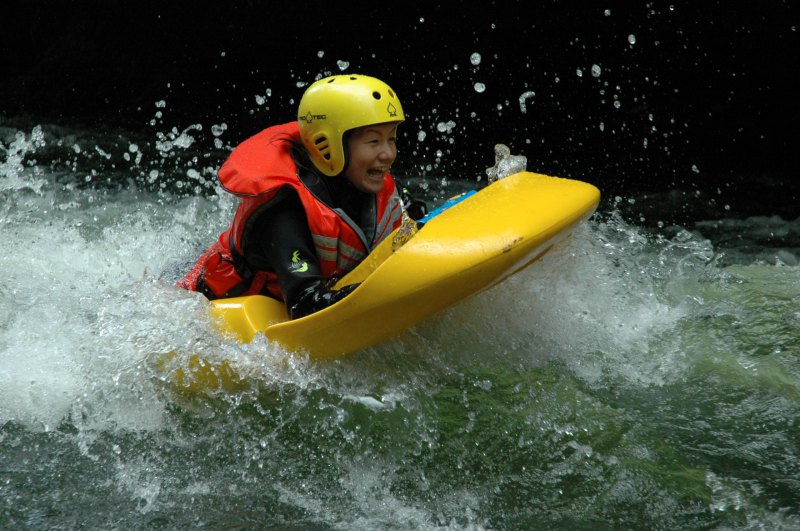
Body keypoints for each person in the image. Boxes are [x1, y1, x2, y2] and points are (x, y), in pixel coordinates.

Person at [177, 74, 425, 319]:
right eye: (373, 141)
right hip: (199, 302)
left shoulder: (367, 179)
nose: (388, 154)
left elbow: (407, 213)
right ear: (327, 145)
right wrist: (386, 291)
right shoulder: (285, 210)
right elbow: (305, 305)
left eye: (391, 138)